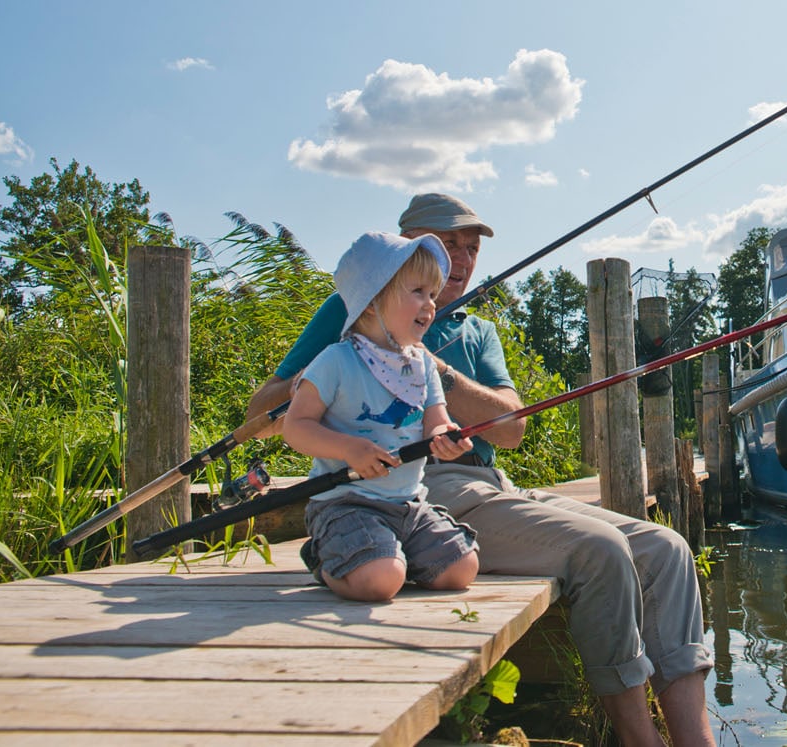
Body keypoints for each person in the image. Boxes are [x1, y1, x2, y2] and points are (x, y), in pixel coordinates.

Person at [249, 193, 715, 747]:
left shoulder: (477, 332)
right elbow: (261, 416)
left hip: (492, 484)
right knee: (601, 550)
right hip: (423, 488)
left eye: (471, 249)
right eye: (449, 245)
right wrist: (358, 351)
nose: (462, 260)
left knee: (668, 550)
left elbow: (511, 430)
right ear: (406, 249)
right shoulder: (350, 310)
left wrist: (433, 369)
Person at [282, 230, 479, 602]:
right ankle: (329, 557)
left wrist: (446, 436)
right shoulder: (336, 360)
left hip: (409, 504)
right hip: (345, 503)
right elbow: (296, 427)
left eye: (432, 294)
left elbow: (435, 420)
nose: (430, 304)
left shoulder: (423, 365)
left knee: (461, 568)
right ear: (372, 301)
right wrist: (349, 449)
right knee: (381, 582)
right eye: (417, 291)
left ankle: (381, 555)